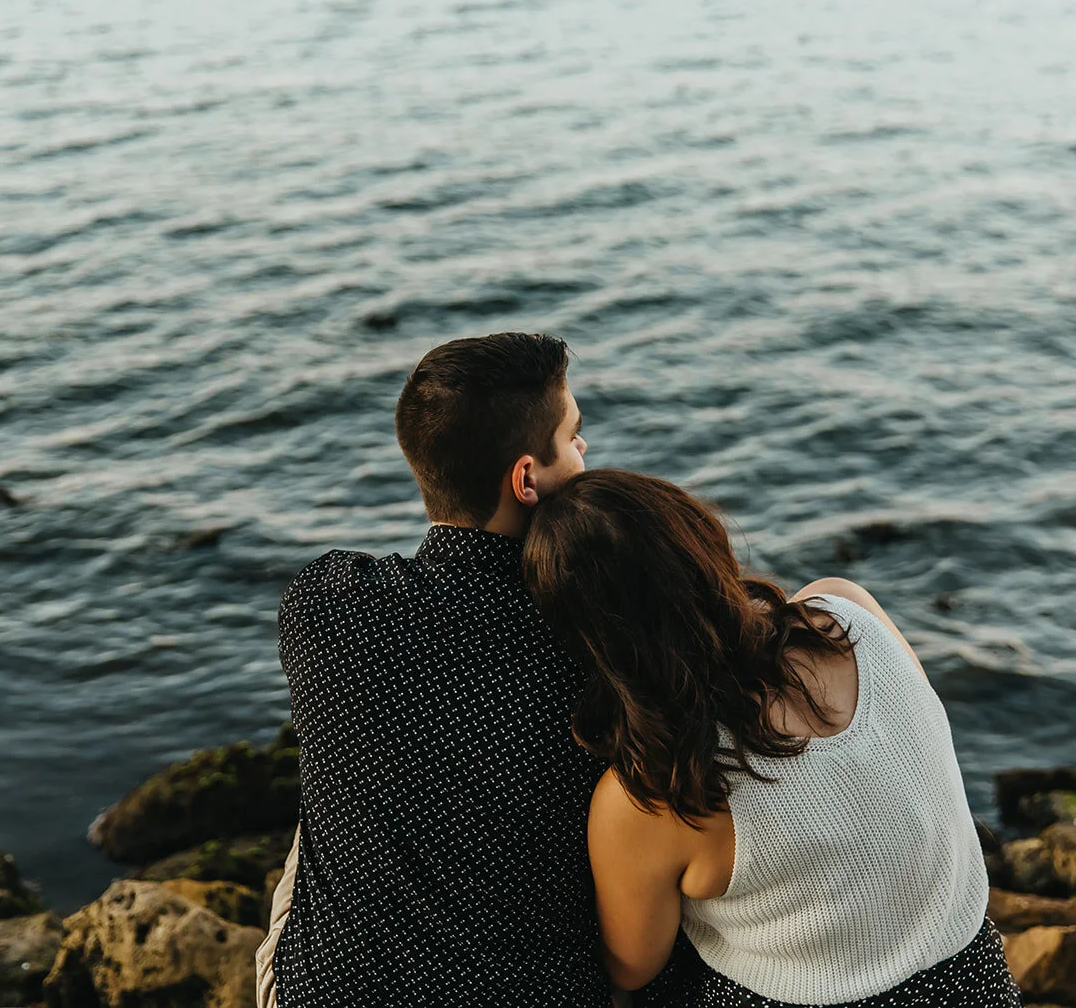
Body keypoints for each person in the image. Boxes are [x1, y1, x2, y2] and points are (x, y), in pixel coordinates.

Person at [522, 469, 1022, 1008]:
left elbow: (633, 967)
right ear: (704, 542)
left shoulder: (658, 792)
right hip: (976, 980)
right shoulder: (846, 610)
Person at [258, 332, 612, 1007]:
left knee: (315, 829)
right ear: (526, 479)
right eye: (573, 437)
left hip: (326, 991)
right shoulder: (594, 641)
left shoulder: (318, 605)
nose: (586, 452)